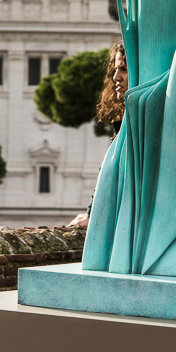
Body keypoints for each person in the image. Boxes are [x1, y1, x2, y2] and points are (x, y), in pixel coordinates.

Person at [69, 43, 128, 229]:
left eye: (124, 70)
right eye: (115, 69)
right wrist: (91, 213)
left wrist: (93, 214)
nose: (115, 77)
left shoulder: (146, 119)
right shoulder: (125, 121)